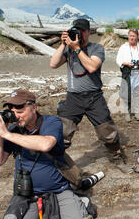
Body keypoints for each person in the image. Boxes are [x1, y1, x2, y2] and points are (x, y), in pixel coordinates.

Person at [0, 89, 95, 219]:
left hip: (59, 190)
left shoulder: (51, 122)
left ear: (34, 107)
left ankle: (80, 201)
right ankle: (44, 212)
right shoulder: (12, 131)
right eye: (12, 111)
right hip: (27, 194)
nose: (16, 115)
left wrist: (8, 135)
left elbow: (46, 144)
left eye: (20, 111)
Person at [50, 18, 132, 174]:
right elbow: (53, 64)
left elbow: (92, 66)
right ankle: (56, 164)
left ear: (88, 32)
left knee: (108, 132)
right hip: (73, 98)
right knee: (63, 133)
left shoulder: (96, 48)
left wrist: (77, 49)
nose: (79, 34)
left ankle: (117, 158)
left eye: (82, 31)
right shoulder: (68, 49)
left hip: (94, 97)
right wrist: (63, 44)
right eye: (76, 31)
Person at [116, 28, 139, 122]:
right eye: (130, 35)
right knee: (127, 93)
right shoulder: (123, 47)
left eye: (134, 36)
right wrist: (125, 63)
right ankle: (127, 112)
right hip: (128, 72)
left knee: (136, 94)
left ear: (137, 37)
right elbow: (118, 60)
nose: (132, 37)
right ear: (128, 36)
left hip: (138, 73)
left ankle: (136, 113)